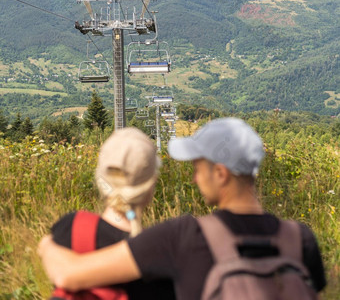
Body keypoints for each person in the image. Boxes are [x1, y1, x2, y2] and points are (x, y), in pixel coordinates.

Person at [39, 118, 326, 300]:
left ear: (221, 174)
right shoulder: (300, 239)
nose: (194, 177)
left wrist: (47, 246)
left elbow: (69, 275)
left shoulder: (184, 237)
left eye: (198, 168)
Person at [48, 127, 175, 300]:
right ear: (151, 185)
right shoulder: (163, 257)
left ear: (100, 179)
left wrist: (46, 246)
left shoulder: (69, 228)